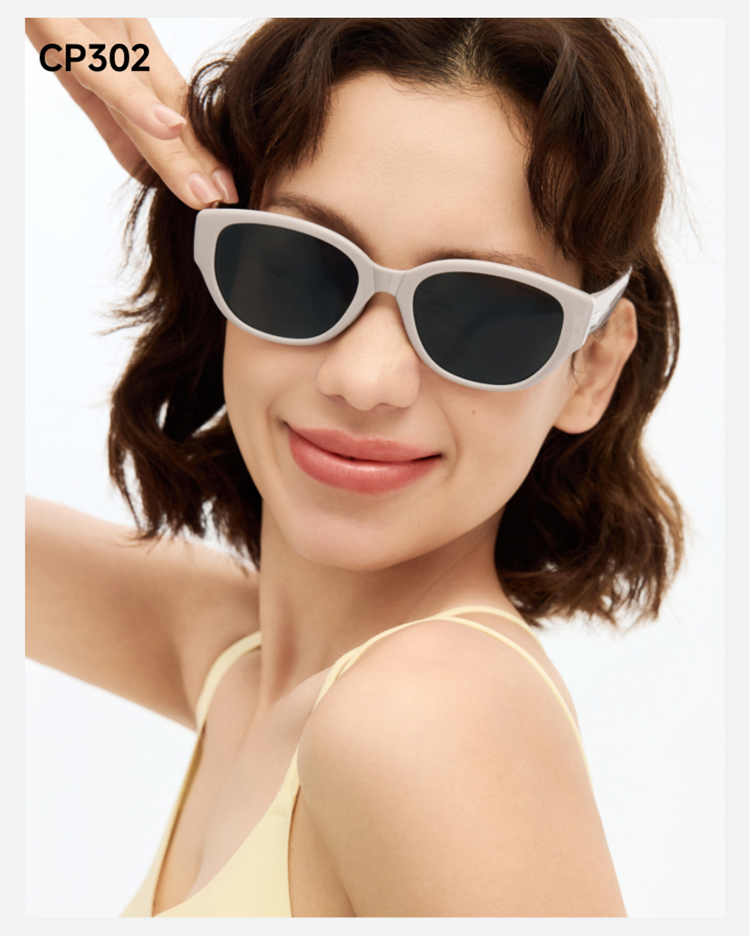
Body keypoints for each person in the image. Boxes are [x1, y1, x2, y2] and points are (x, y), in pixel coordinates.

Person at [25, 17, 684, 917]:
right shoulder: (246, 663)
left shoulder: (425, 716)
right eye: (301, 267)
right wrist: (59, 32)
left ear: (592, 366)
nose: (364, 378)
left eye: (480, 312)